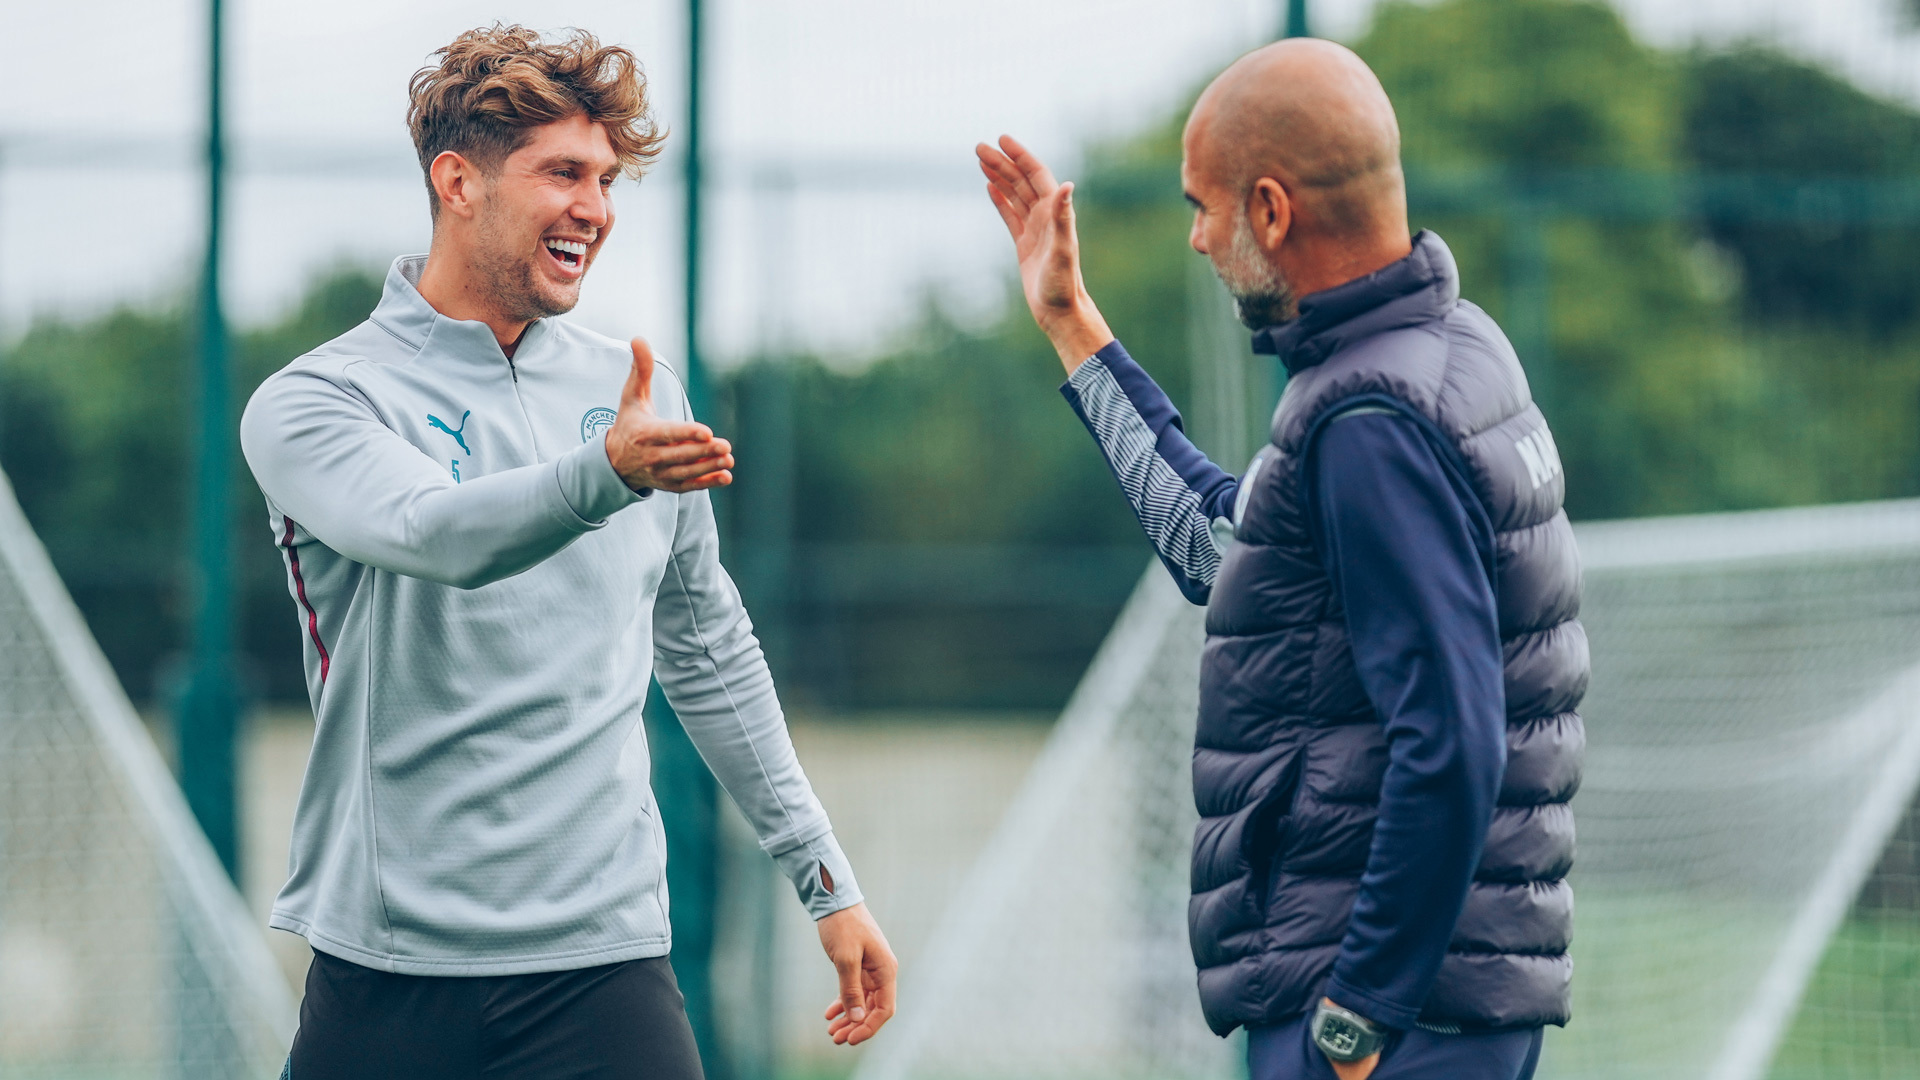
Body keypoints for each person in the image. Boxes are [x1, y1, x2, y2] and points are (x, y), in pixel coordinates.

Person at [242, 25, 895, 1080]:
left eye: (605, 178)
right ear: (458, 182)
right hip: (390, 971)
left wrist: (826, 878)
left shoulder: (637, 394)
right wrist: (608, 474)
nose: (594, 207)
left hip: (606, 971)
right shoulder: (319, 401)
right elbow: (430, 533)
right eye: (562, 173)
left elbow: (709, 650)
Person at [978, 38, 1583, 1080]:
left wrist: (1361, 1012)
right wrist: (1071, 322)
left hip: (1387, 1018)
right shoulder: (1443, 350)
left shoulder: (1371, 418)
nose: (1197, 238)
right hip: (1429, 1008)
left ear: (1270, 210)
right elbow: (1229, 554)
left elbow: (1453, 737)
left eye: (1203, 205)